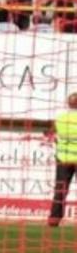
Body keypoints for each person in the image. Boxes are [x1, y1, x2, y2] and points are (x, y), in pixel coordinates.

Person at [47, 93, 77, 227]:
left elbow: (51, 133)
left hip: (63, 159)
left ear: (68, 103)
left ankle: (54, 219)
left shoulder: (60, 118)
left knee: (60, 189)